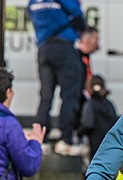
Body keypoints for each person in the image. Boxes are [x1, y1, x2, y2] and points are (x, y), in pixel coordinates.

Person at [28, 0, 86, 157]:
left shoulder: (33, 2)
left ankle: (41, 140)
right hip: (64, 48)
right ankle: (66, 140)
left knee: (45, 96)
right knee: (69, 95)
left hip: (44, 49)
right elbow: (79, 15)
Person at [78, 74, 120, 180]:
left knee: (94, 179)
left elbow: (88, 124)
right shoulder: (109, 104)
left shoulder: (90, 104)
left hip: (96, 149)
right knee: (111, 179)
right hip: (111, 147)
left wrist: (79, 132)